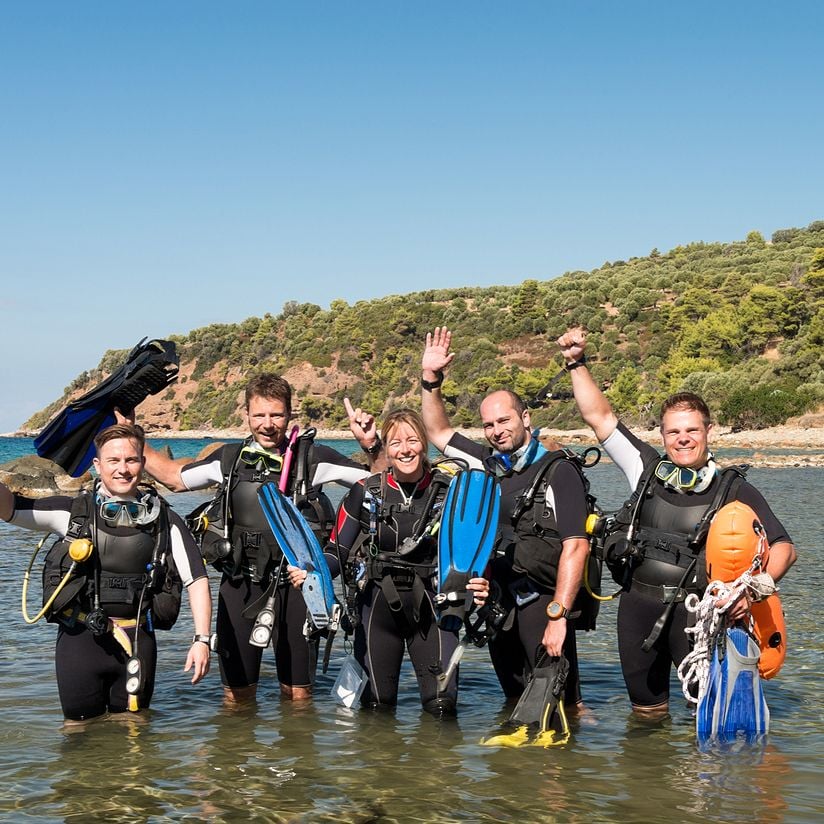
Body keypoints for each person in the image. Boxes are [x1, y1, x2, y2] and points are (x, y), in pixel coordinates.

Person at [556, 326, 797, 717]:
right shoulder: (646, 469)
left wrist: (751, 591)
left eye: (691, 430)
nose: (682, 439)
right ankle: (650, 776)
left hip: (698, 617)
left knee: (706, 715)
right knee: (645, 716)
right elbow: (599, 417)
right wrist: (576, 362)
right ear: (663, 435)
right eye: (673, 431)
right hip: (636, 610)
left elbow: (785, 547)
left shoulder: (732, 488)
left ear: (707, 431)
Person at [127, 373, 383, 705]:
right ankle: (238, 754)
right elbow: (175, 479)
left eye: (276, 414)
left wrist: (371, 445)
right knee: (236, 697)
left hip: (296, 588)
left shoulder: (313, 459)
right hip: (239, 586)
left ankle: (298, 753)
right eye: (259, 415)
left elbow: (380, 483)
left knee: (298, 696)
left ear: (290, 414)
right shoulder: (229, 460)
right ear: (246, 415)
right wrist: (134, 436)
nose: (267, 424)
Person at [420, 327, 593, 710]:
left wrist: (559, 616)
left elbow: (576, 547)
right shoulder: (487, 464)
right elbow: (438, 431)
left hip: (543, 604)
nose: (497, 431)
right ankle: (515, 771)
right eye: (489, 425)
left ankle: (567, 767)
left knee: (563, 705)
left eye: (505, 421)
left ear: (525, 418)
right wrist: (431, 379)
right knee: (516, 701)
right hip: (498, 605)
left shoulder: (558, 471)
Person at [0, 423, 212, 726]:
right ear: (98, 466)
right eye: (113, 461)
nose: (123, 469)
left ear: (142, 463)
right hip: (80, 642)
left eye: (131, 460)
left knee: (135, 734)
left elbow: (197, 579)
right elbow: (10, 509)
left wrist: (202, 640)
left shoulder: (166, 521)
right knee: (77, 734)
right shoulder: (72, 513)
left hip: (137, 641)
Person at [327, 408, 490, 717]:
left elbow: (474, 551)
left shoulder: (449, 492)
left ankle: (434, 766)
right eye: (396, 442)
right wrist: (311, 572)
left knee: (442, 709)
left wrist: (482, 581)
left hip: (434, 611)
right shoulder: (365, 492)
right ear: (385, 448)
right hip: (375, 611)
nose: (405, 450)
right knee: (376, 710)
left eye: (413, 440)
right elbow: (336, 551)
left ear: (425, 443)